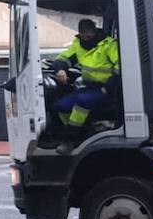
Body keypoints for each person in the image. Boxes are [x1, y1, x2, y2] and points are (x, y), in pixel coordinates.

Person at [50, 19, 120, 153]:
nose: (87, 38)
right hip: (88, 87)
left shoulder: (108, 44)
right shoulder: (78, 44)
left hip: (106, 88)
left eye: (89, 35)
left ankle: (69, 140)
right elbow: (63, 58)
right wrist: (60, 69)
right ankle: (80, 133)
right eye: (84, 35)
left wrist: (109, 87)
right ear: (79, 34)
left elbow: (120, 67)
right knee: (60, 106)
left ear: (95, 31)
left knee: (81, 104)